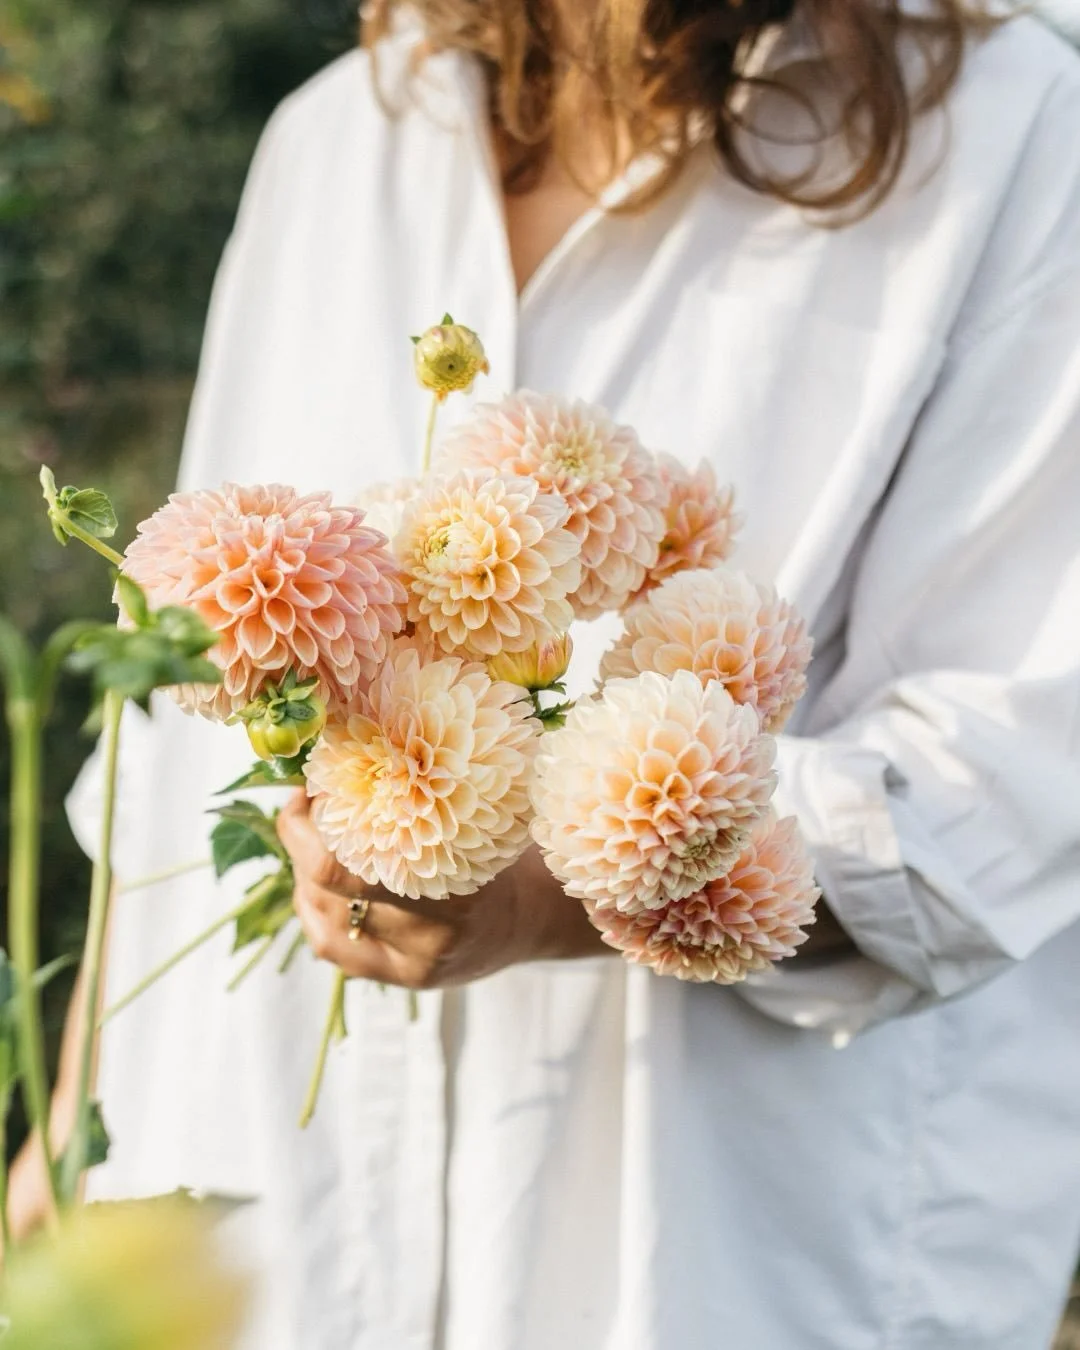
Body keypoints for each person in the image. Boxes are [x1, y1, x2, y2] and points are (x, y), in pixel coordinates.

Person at [14, 0, 1080, 1344]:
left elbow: (1012, 772)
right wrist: (76, 1121)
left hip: (725, 1258)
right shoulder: (339, 140)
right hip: (271, 1231)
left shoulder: (1020, 133)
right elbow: (174, 702)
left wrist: (550, 895)